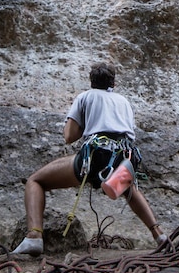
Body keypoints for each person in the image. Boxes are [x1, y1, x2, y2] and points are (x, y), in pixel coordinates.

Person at [12, 62, 166, 256]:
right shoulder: (123, 101)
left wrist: (88, 121)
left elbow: (69, 136)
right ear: (113, 82)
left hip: (96, 159)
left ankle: (34, 237)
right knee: (130, 191)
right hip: (124, 159)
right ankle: (159, 235)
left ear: (91, 81)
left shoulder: (85, 97)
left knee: (35, 181)